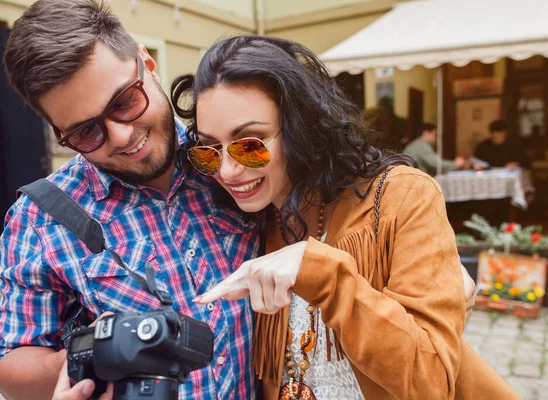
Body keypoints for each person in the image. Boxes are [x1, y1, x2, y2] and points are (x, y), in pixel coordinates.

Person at [172, 36, 520, 399]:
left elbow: (431, 380)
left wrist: (321, 272)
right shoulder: (258, 224)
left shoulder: (401, 196)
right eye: (209, 150)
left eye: (250, 144)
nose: (227, 171)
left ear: (299, 128)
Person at [0, 1, 261, 399]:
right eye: (86, 132)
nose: (119, 136)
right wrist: (87, 358)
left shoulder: (231, 159)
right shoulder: (40, 217)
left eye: (123, 102)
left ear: (146, 63)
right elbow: (8, 363)